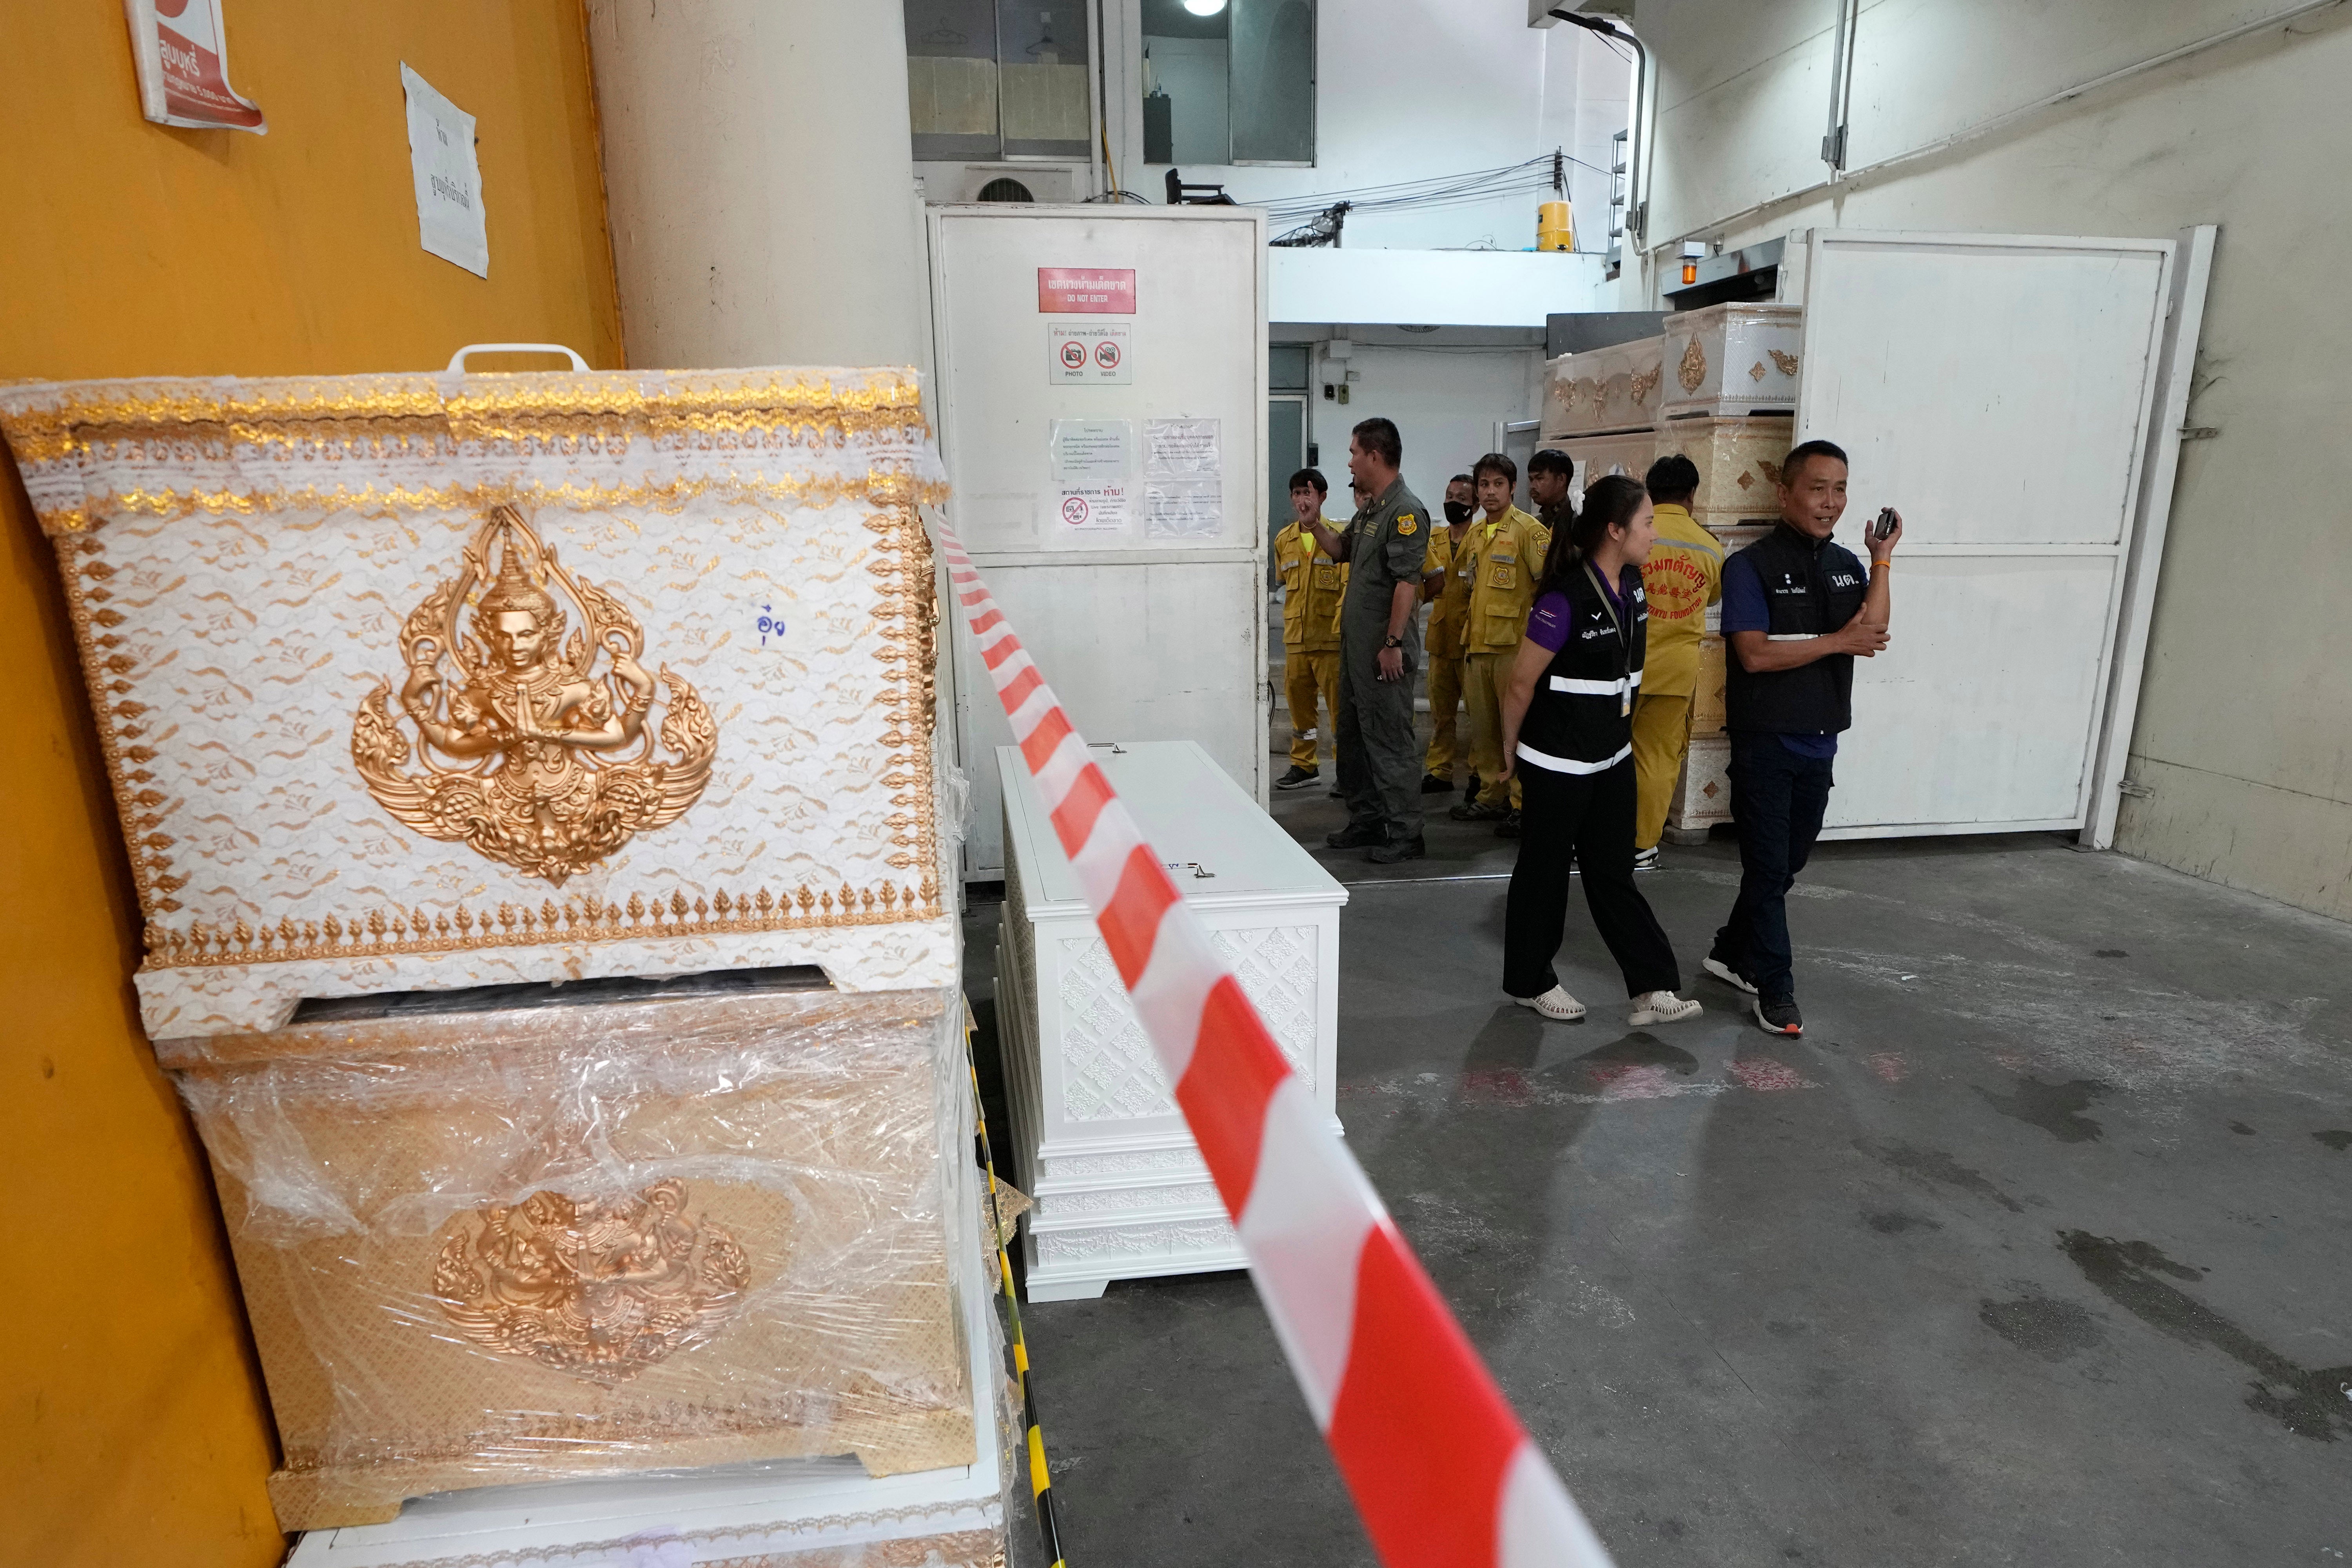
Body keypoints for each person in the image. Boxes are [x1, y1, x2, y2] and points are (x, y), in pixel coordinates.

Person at [1704, 438, 1900, 1037]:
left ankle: (1730, 952)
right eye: (1818, 488)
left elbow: (1876, 626)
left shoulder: (1846, 563)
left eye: (1840, 489)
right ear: (1785, 492)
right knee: (1768, 872)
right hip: (1766, 741)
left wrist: (1883, 559)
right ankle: (1775, 987)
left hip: (1821, 741)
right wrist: (1839, 643)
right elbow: (1754, 655)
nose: (1831, 501)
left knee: (1787, 864)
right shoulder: (1749, 567)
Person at [1494, 474, 1702, 1026]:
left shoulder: (1633, 585)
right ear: (1615, 530)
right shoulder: (1562, 601)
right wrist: (1509, 749)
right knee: (1543, 871)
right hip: (1558, 761)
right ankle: (1529, 981)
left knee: (1614, 873)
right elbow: (1521, 684)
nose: (1656, 534)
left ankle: (1652, 988)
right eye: (1648, 523)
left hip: (1611, 757)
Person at [1308, 418, 1430, 863]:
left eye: (1354, 452)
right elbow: (1341, 551)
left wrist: (1393, 642)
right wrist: (1314, 524)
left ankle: (1405, 833)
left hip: (1384, 652)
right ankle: (1367, 821)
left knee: (1389, 738)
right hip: (1357, 651)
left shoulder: (1405, 512)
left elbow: (1407, 583)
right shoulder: (1372, 510)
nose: (1350, 461)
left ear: (1374, 456)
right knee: (1355, 736)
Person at [1447, 453, 1550, 838]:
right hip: (1479, 646)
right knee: (1486, 730)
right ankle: (1492, 795)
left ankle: (1523, 803)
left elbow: (1548, 587)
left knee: (1517, 730)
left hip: (1514, 649)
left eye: (1498, 485)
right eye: (1484, 485)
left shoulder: (1530, 531)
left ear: (1512, 488)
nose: (1490, 492)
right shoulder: (1475, 534)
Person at [1630, 454, 1724, 870]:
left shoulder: (1634, 534)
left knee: (1607, 754)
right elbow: (1714, 596)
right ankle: (1641, 846)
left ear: (1649, 492)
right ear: (1692, 495)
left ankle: (1594, 837)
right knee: (1657, 760)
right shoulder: (1710, 545)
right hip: (1677, 671)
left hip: (1624, 666)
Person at [1271, 469, 1348, 792]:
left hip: (1329, 640)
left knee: (1340, 712)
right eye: (1297, 493)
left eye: (1309, 493)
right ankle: (1305, 766)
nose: (1303, 500)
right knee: (1301, 712)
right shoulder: (1283, 540)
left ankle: (1346, 771)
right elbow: (1284, 585)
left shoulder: (1339, 537)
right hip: (1296, 641)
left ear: (1322, 498)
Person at [1419, 473, 1477, 795]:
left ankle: (1478, 774)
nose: (1453, 503)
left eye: (1461, 499)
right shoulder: (1434, 539)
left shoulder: (1482, 538)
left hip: (1472, 639)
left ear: (1475, 505)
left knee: (1478, 715)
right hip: (1440, 639)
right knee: (1442, 715)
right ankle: (1439, 770)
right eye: (1449, 496)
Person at [1527, 446, 1574, 533]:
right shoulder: (1535, 523)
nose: (1533, 486)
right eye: (1531, 480)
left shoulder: (1576, 522)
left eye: (1540, 478)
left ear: (1561, 479)